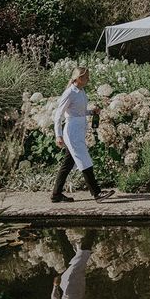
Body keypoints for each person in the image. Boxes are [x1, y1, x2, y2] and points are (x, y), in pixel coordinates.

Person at [51, 67, 114, 203]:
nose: (88, 80)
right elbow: (58, 115)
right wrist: (58, 135)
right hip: (72, 131)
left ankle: (56, 194)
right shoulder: (69, 93)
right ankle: (97, 193)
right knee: (84, 160)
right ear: (79, 78)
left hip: (79, 130)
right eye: (86, 77)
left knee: (68, 163)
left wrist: (91, 112)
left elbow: (79, 111)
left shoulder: (81, 91)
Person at [51, 230, 97, 299]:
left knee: (83, 253)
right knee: (70, 256)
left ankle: (93, 228)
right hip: (76, 287)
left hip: (70, 285)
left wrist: (55, 286)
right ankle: (59, 230)